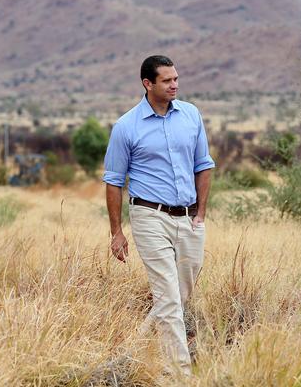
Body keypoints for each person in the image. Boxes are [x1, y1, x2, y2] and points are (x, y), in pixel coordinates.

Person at [103, 55, 215, 373]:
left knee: (181, 293)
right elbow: (113, 181)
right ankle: (179, 373)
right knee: (167, 295)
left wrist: (201, 213)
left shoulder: (191, 115)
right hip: (149, 216)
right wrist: (117, 232)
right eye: (167, 80)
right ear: (147, 84)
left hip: (189, 217)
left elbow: (204, 165)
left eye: (176, 78)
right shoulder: (126, 127)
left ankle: (137, 346)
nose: (175, 84)